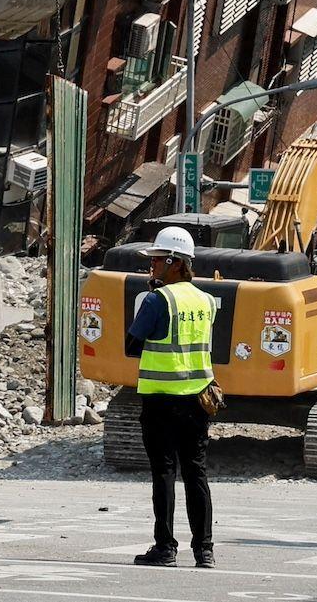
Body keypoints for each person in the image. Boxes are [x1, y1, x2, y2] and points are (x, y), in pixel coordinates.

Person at [124, 226, 215, 569]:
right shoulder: (206, 302)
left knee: (164, 472)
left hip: (161, 400)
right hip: (198, 400)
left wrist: (152, 303)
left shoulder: (157, 299)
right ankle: (204, 550)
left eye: (158, 260)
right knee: (196, 473)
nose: (152, 266)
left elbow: (132, 345)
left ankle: (165, 548)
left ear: (175, 263)